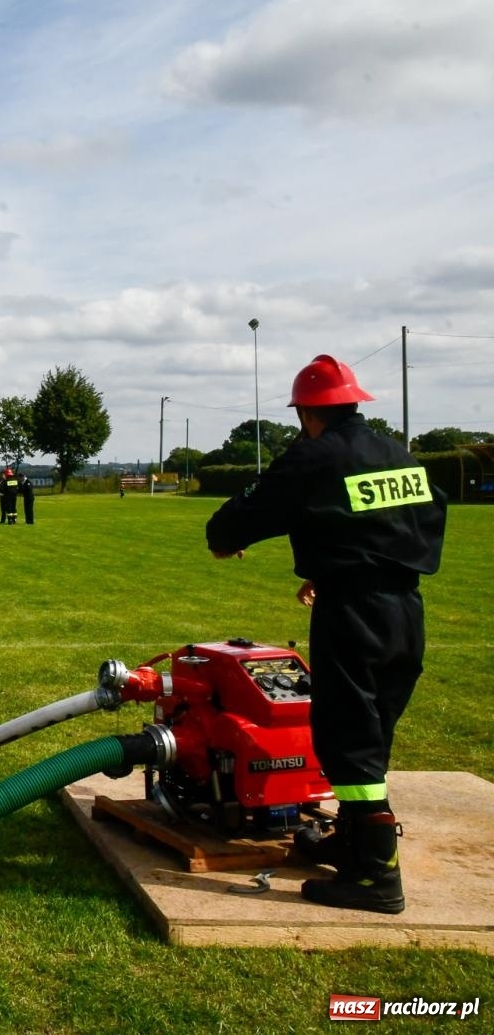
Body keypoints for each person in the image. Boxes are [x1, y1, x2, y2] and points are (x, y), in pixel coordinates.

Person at [205, 355, 446, 915]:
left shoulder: (314, 455)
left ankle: (374, 876)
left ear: (308, 413)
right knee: (373, 727)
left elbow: (246, 513)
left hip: (352, 612)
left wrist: (224, 538)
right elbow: (420, 517)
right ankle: (353, 840)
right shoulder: (396, 452)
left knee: (346, 734)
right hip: (406, 608)